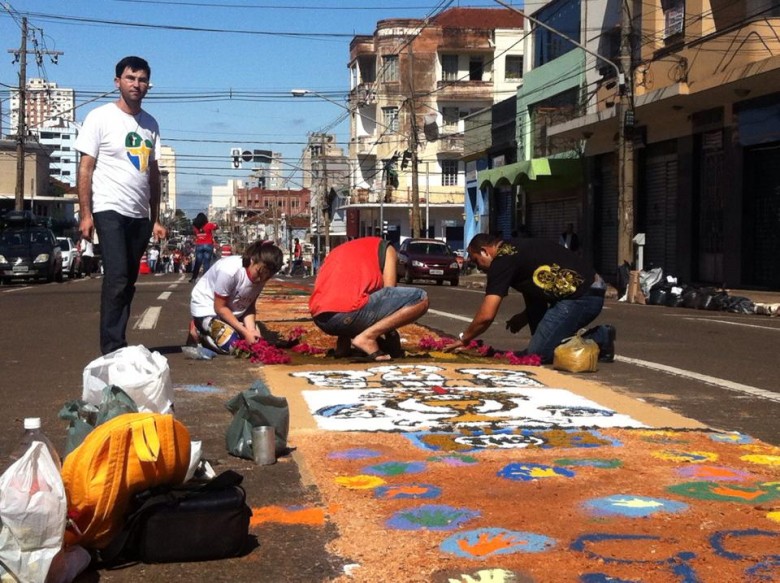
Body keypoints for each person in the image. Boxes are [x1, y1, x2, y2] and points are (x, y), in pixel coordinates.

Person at [75, 56, 165, 355]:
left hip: (139, 214)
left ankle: (119, 340)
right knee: (116, 277)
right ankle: (112, 348)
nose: (136, 84)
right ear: (118, 82)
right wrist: (86, 214)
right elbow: (86, 167)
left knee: (128, 281)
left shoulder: (151, 124)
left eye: (142, 80)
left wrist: (156, 218)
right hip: (109, 208)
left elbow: (153, 175)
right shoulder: (99, 117)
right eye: (130, 78)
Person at [443, 233, 615, 364]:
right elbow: (536, 288)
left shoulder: (502, 261)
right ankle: (557, 339)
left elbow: (487, 315)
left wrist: (464, 338)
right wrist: (525, 316)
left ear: (485, 251)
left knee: (539, 355)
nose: (479, 268)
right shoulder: (514, 247)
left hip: (582, 296)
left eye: (476, 261)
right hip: (588, 288)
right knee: (546, 340)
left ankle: (600, 337)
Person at [309, 236, 430, 361]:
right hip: (348, 314)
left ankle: (342, 346)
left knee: (354, 299)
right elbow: (390, 292)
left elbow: (341, 292)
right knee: (420, 298)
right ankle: (367, 338)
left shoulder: (342, 251)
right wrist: (391, 336)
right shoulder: (388, 249)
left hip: (321, 319)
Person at [189, 240, 284, 354]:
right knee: (233, 346)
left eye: (267, 277)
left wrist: (251, 330)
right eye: (258, 273)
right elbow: (220, 308)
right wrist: (245, 332)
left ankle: (216, 328)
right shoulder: (230, 271)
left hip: (229, 309)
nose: (261, 280)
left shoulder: (261, 275)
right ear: (252, 260)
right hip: (207, 307)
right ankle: (199, 329)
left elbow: (249, 306)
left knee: (253, 342)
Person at [190, 212, 218, 282]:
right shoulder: (209, 225)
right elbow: (216, 226)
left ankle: (194, 278)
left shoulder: (195, 226)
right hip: (208, 245)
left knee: (198, 262)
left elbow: (194, 232)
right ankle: (206, 279)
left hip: (199, 244)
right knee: (207, 262)